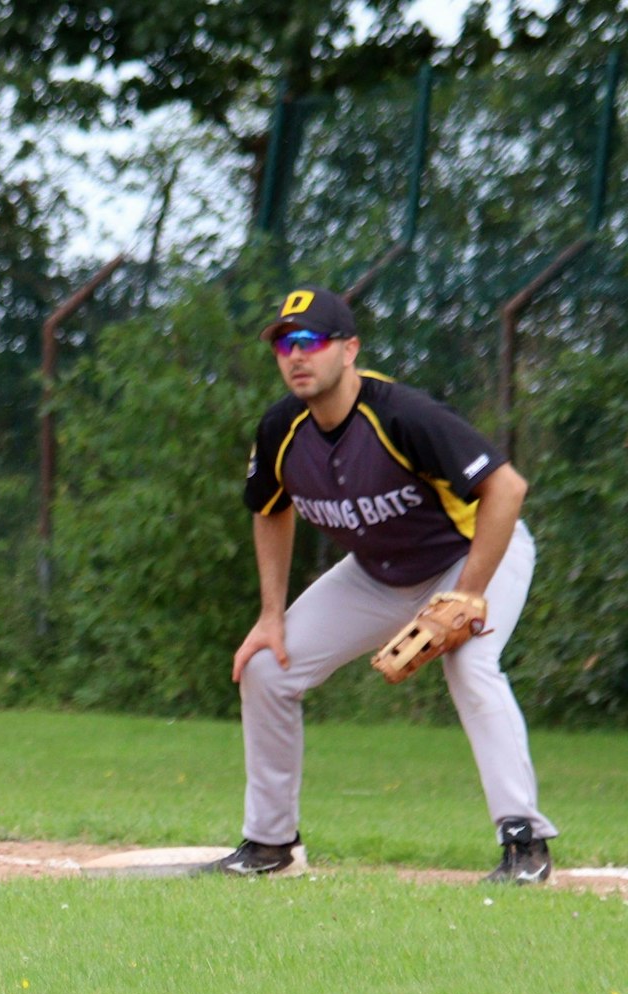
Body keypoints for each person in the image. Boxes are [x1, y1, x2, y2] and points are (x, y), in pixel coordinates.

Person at [206, 286, 555, 884]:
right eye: (285, 344)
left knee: (470, 666)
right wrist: (271, 614)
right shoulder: (281, 428)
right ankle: (270, 845)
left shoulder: (401, 414)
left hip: (472, 556)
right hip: (377, 575)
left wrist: (467, 595)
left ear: (349, 350)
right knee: (267, 667)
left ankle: (525, 844)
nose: (296, 356)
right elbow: (269, 509)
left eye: (311, 342)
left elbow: (507, 490)